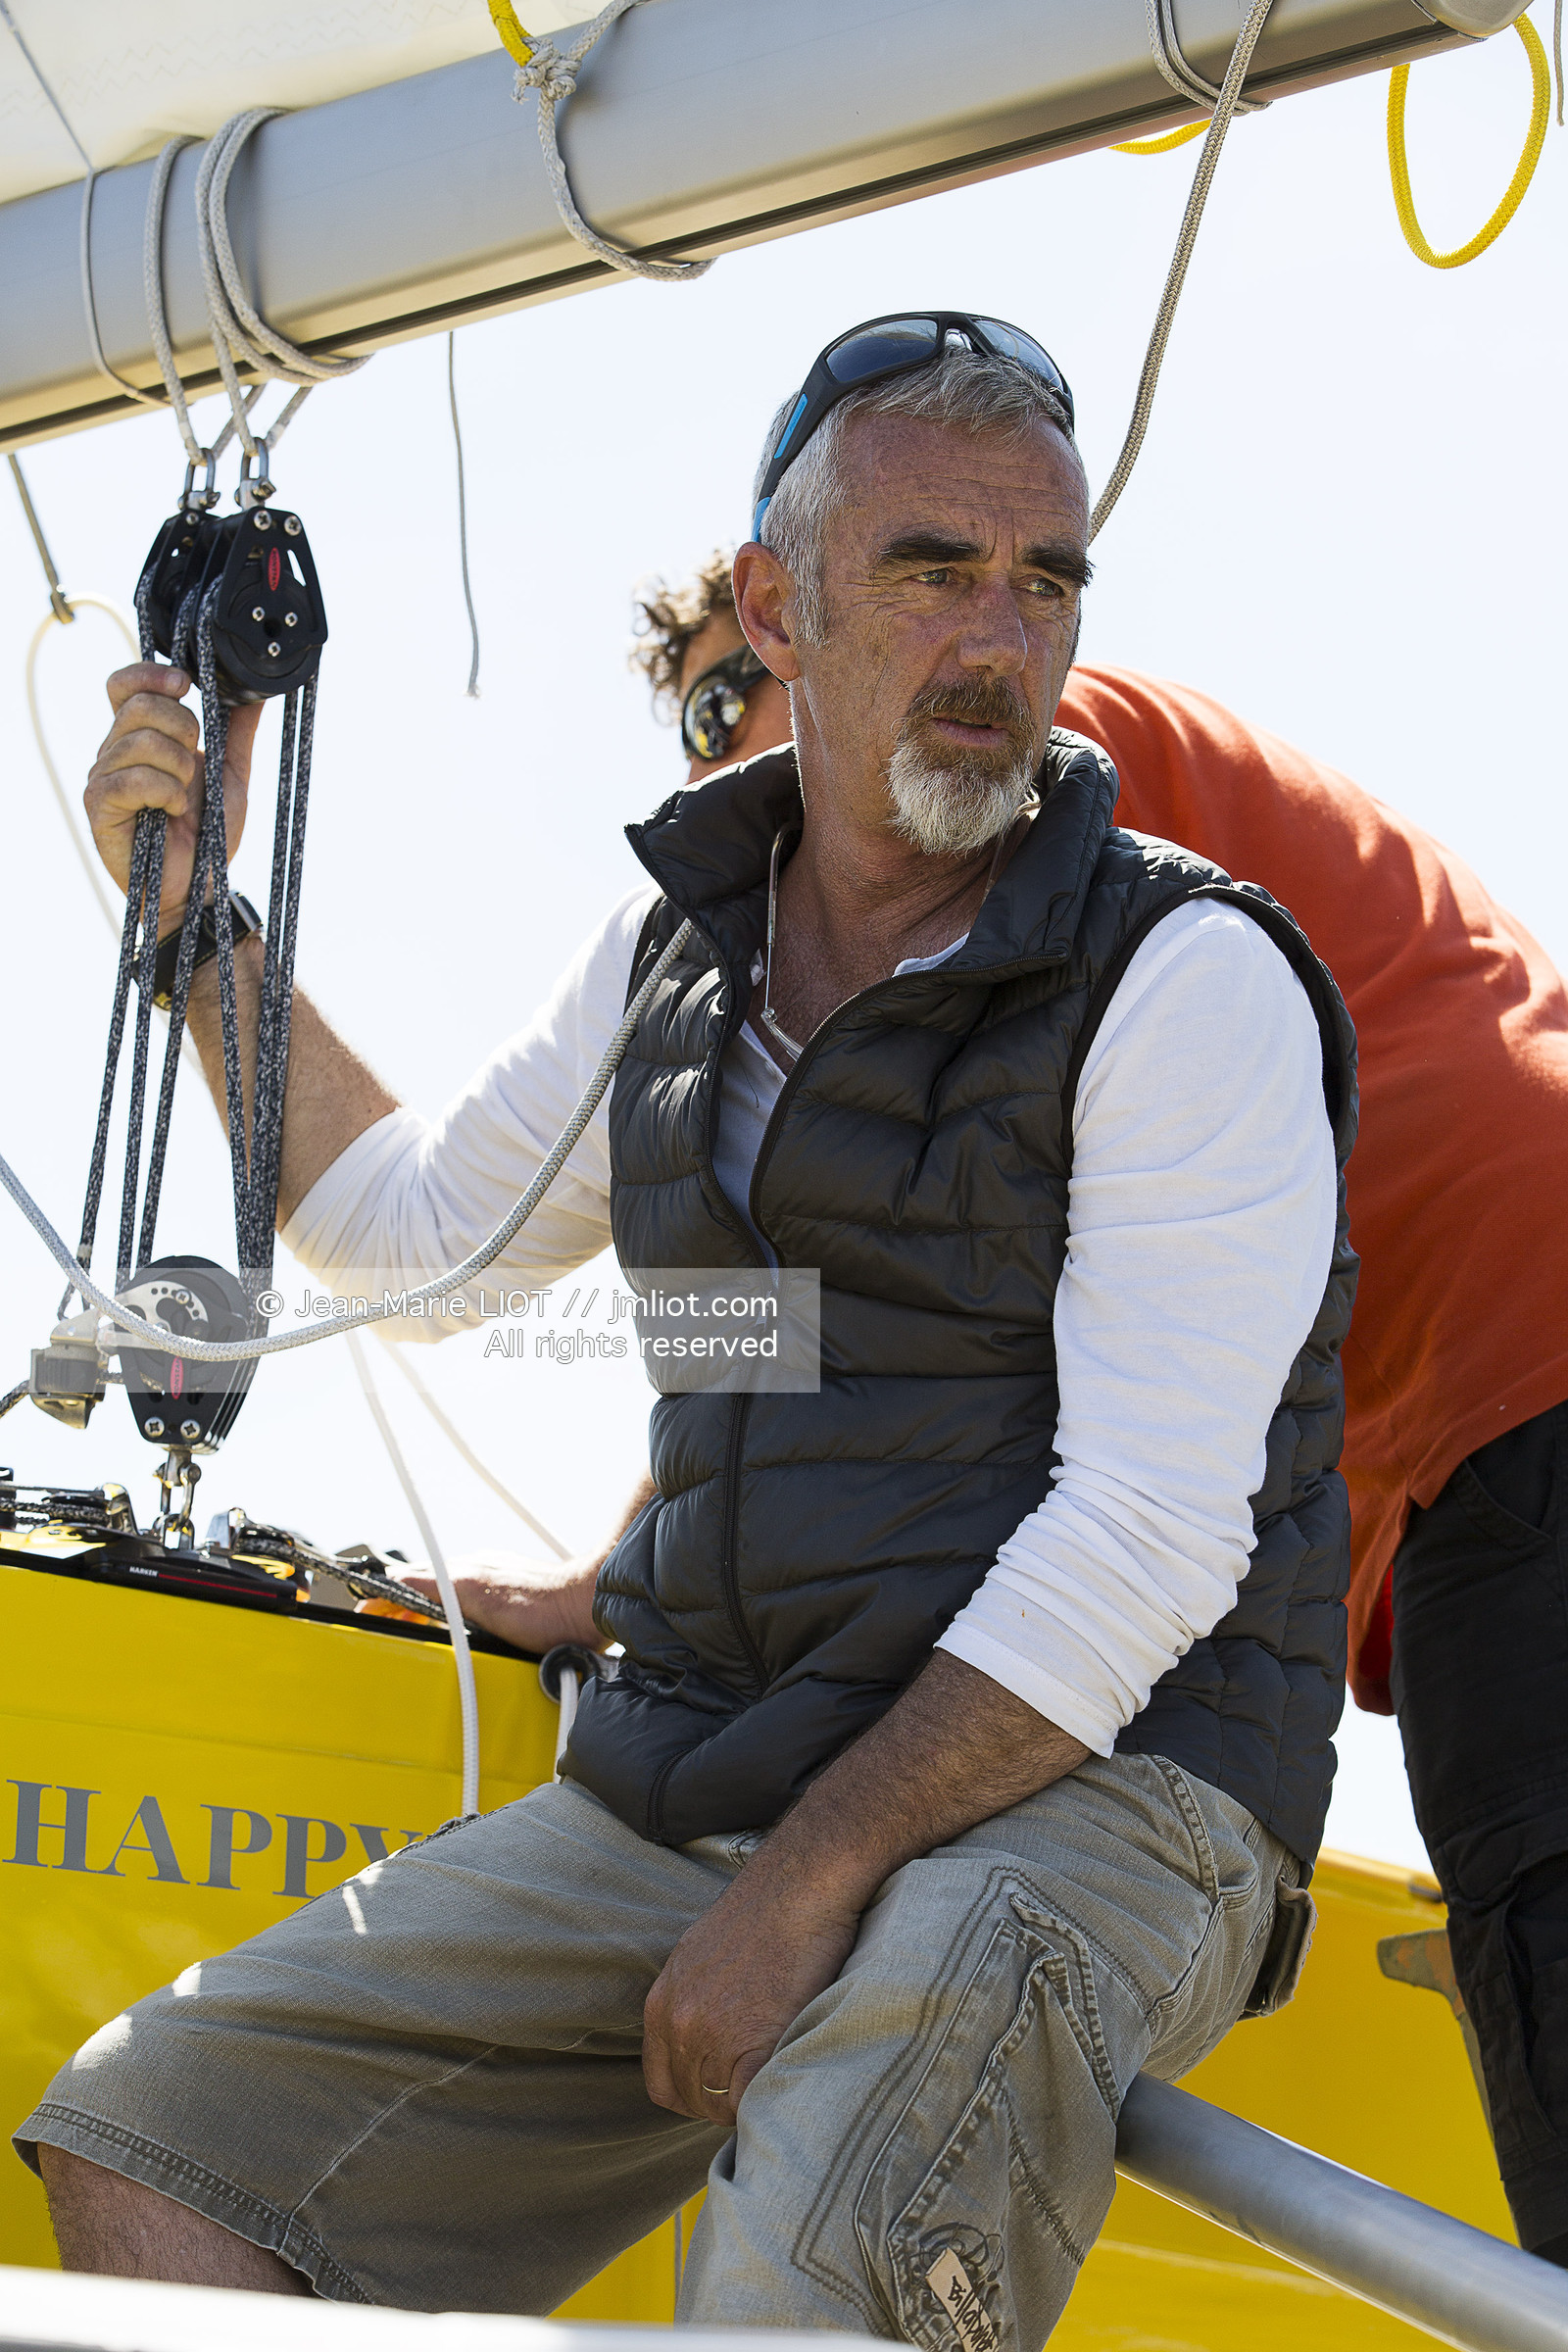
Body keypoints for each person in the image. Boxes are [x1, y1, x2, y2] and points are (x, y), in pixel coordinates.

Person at [20, 313, 1356, 2341]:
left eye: (1047, 579)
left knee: (805, 2278)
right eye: (932, 567)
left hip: (1106, 1775)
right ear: (776, 600)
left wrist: (797, 1885)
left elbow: (1150, 1540)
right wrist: (196, 916)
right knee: (158, 2134)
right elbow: (412, 1246)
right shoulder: (667, 959)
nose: (999, 638)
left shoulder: (1187, 981)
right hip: (732, 1756)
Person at [639, 559, 1568, 2266]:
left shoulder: (1025, 764)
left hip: (1523, 1382)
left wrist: (617, 1573)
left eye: (729, 699)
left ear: (816, 630)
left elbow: (827, 1293)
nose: (710, 767)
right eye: (687, 725)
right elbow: (851, 1300)